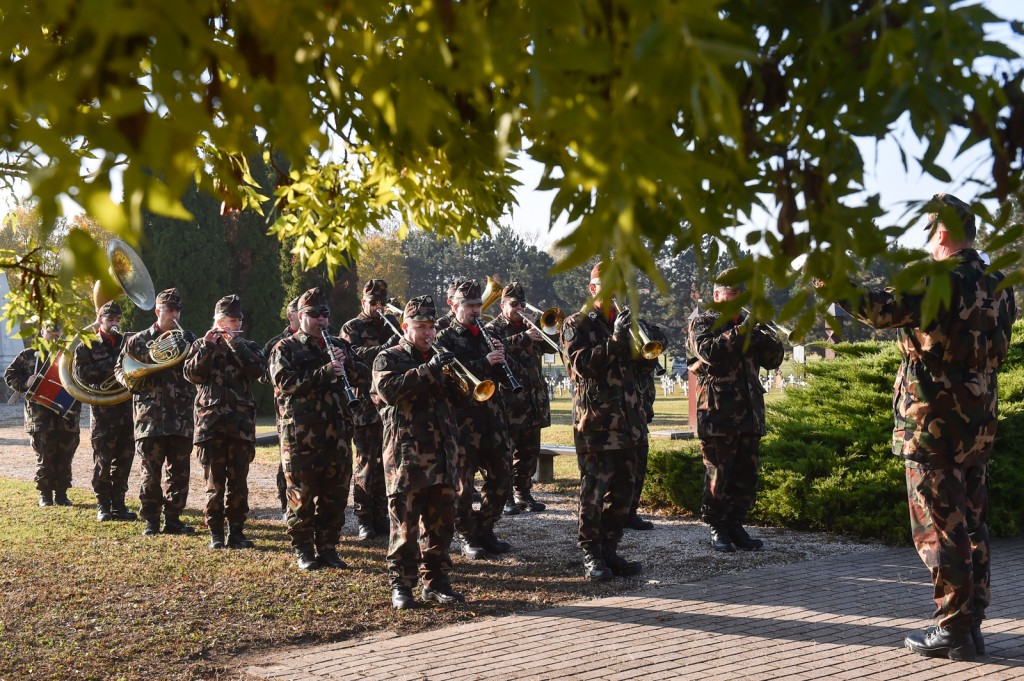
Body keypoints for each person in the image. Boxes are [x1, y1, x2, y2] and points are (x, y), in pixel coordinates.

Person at [825, 193, 1015, 661]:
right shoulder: (998, 281)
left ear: (942, 232)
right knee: (972, 523)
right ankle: (971, 625)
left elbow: (878, 309)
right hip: (978, 421)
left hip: (933, 422)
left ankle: (953, 630)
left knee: (940, 528)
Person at [371, 294, 466, 609]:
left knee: (441, 526)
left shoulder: (440, 358)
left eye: (431, 327)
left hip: (443, 456)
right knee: (405, 527)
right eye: (421, 326)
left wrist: (455, 374)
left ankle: (436, 582)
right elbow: (390, 391)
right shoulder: (388, 358)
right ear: (405, 327)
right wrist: (428, 370)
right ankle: (402, 586)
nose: (428, 333)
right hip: (407, 458)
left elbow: (463, 400)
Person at [269, 287, 368, 571]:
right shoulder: (285, 347)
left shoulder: (339, 345)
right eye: (314, 314)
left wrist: (346, 362)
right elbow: (284, 382)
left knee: (334, 496)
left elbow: (364, 375)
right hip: (301, 437)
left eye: (325, 314)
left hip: (337, 435)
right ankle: (303, 550)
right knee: (301, 497)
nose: (321, 319)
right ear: (301, 316)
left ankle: (328, 548)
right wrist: (324, 372)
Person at [686, 269, 784, 553]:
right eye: (733, 293)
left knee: (746, 474)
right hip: (718, 412)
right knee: (719, 472)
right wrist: (742, 330)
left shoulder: (748, 325)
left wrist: (769, 337)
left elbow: (772, 361)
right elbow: (709, 352)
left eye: (742, 293)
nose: (740, 298)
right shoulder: (703, 321)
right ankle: (717, 526)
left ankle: (736, 524)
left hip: (749, 412)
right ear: (717, 296)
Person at [560, 262, 644, 581]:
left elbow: (641, 366)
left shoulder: (625, 321)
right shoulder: (575, 323)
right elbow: (581, 366)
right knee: (594, 492)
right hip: (596, 422)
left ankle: (610, 548)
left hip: (628, 421)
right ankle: (591, 553)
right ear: (592, 289)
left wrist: (644, 349)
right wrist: (615, 340)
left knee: (624, 493)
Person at [435, 279, 513, 559]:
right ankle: (467, 535)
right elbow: (449, 376)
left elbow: (503, 375)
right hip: (462, 422)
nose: (476, 310)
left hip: (493, 420)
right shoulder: (443, 339)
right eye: (469, 305)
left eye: (478, 305)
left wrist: (502, 360)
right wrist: (485, 362)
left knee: (502, 478)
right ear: (453, 305)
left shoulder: (488, 334)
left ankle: (485, 527)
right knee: (463, 486)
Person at [183, 295, 266, 550]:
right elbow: (192, 375)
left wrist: (236, 344)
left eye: (239, 319)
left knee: (239, 484)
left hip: (241, 427)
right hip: (211, 427)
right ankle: (216, 534)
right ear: (219, 321)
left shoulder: (248, 345)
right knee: (214, 484)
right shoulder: (201, 344)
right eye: (232, 319)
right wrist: (208, 347)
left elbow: (258, 370)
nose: (237, 323)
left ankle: (237, 533)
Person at [115, 288, 198, 536]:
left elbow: (199, 371)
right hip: (149, 417)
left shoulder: (188, 340)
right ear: (157, 311)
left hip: (180, 417)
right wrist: (130, 380)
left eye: (177, 310)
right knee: (149, 473)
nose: (174, 315)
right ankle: (151, 520)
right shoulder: (138, 340)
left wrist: (197, 348)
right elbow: (121, 368)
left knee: (179, 473)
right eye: (168, 310)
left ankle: (173, 519)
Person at [485, 282, 550, 515]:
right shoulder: (493, 328)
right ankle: (506, 497)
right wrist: (524, 336)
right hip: (509, 401)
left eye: (522, 304)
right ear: (502, 305)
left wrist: (542, 328)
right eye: (514, 304)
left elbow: (553, 347)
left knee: (529, 452)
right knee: (506, 452)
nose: (519, 308)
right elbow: (493, 348)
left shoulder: (531, 326)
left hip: (533, 399)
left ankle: (524, 492)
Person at [341, 279, 399, 540]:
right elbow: (353, 356)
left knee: (387, 463)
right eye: (373, 302)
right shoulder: (352, 327)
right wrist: (385, 348)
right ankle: (363, 517)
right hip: (364, 405)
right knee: (366, 463)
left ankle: (380, 514)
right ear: (363, 302)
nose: (378, 306)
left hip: (388, 404)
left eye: (382, 302)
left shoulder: (391, 324)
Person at [4, 322, 82, 507]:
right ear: (42, 332)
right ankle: (45, 495)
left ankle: (62, 494)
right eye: (50, 331)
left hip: (66, 416)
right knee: (44, 457)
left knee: (65, 456)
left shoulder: (70, 354)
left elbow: (82, 377)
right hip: (40, 418)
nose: (55, 335)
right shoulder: (29, 354)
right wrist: (25, 383)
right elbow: (9, 375)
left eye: (57, 331)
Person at [73, 301, 137, 521]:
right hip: (103, 412)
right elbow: (83, 374)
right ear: (100, 320)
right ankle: (103, 505)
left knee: (125, 458)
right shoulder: (86, 346)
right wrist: (114, 365)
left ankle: (119, 504)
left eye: (117, 319)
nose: (114, 323)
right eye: (110, 319)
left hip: (127, 408)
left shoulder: (128, 342)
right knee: (103, 459)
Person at [625, 319, 669, 531]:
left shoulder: (640, 324)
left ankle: (631, 512)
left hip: (640, 406)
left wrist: (643, 334)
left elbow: (662, 341)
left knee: (639, 462)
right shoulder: (604, 327)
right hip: (616, 408)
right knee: (619, 465)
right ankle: (613, 513)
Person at [262, 295, 300, 521]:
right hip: (287, 410)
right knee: (287, 459)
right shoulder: (277, 343)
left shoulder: (326, 337)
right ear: (290, 315)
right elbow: (262, 373)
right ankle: (285, 502)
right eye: (299, 312)